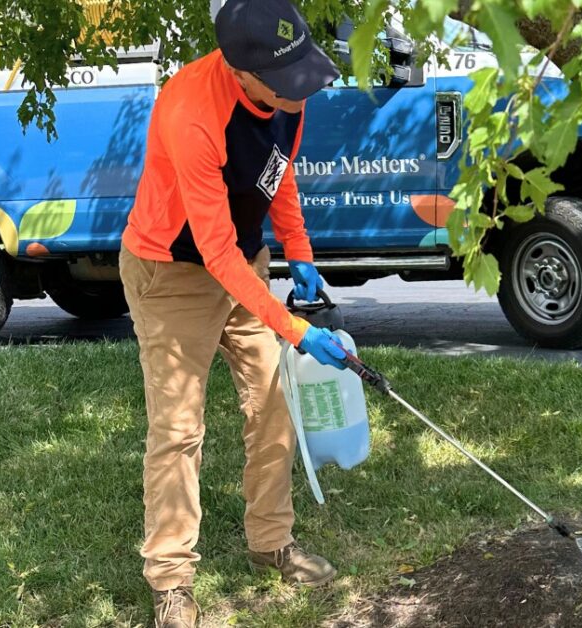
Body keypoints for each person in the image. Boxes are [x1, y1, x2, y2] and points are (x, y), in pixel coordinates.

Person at [119, 1, 347, 625]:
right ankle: (171, 580)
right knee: (178, 428)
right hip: (173, 272)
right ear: (241, 72)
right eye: (288, 81)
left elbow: (281, 172)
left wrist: (298, 252)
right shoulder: (192, 110)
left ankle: (271, 545)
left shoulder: (286, 97)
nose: (302, 92)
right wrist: (294, 327)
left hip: (245, 261)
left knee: (274, 405)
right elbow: (213, 247)